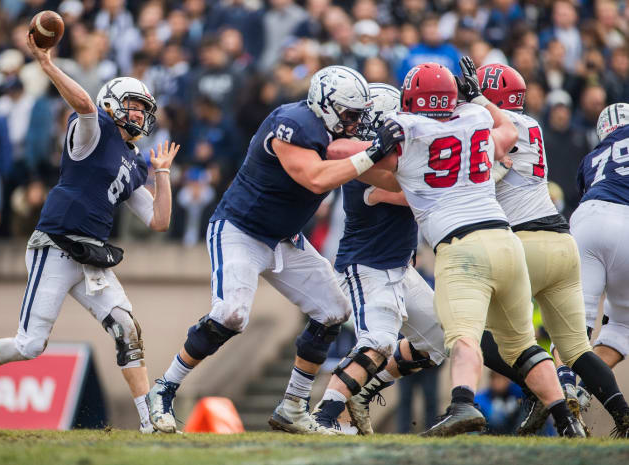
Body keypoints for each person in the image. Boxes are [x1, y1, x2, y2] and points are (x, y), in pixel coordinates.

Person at [146, 65, 403, 435]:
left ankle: (294, 406)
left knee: (333, 311)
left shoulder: (330, 131)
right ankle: (165, 389)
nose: (354, 122)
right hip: (241, 230)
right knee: (232, 314)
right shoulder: (293, 122)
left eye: (359, 115)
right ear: (326, 105)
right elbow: (315, 178)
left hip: (285, 238)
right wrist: (373, 151)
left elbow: (383, 175)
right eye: (349, 114)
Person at [0, 33, 180, 434]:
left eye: (145, 108)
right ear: (112, 104)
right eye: (133, 104)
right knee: (30, 345)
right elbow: (84, 105)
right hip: (55, 246)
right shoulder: (95, 131)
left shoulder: (135, 161)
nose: (140, 113)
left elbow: (159, 221)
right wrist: (46, 64)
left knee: (127, 329)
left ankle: (149, 424)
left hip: (91, 254)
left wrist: (162, 174)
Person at [368, 59, 582, 437]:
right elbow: (504, 131)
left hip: (462, 246)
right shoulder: (476, 120)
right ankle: (567, 421)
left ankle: (462, 404)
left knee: (464, 336)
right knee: (525, 346)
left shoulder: (411, 133)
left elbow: (375, 169)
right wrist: (482, 99)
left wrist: (369, 169)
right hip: (506, 241)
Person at [475, 63, 629, 438]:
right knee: (579, 344)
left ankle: (544, 390)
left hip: (550, 235)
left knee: (484, 337)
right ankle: (621, 414)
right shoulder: (533, 127)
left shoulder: (494, 130)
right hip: (560, 241)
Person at [308, 83, 447, 435]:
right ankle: (323, 416)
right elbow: (412, 190)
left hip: (400, 268)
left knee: (440, 339)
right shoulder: (365, 166)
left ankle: (364, 390)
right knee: (379, 341)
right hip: (367, 267)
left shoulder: (394, 158)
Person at [570, 102, 629, 436]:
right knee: (621, 325)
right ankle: (582, 389)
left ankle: (567, 385)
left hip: (590, 217)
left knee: (577, 316)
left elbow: (585, 192)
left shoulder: (591, 157)